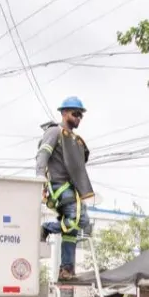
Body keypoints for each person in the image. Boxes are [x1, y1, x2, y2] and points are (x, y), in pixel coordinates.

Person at [36, 96, 95, 282]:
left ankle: (66, 270)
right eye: (75, 113)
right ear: (63, 113)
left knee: (71, 232)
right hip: (59, 187)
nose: (78, 118)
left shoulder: (74, 140)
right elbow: (42, 155)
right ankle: (47, 228)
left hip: (71, 189)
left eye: (80, 115)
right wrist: (39, 180)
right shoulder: (54, 132)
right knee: (81, 219)